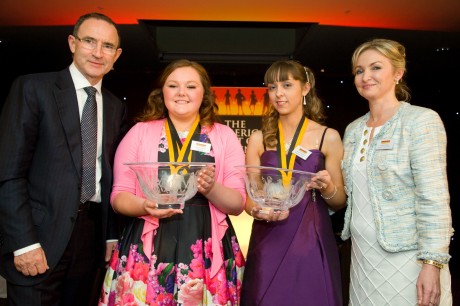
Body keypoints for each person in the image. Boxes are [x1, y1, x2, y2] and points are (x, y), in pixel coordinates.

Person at [0, 12, 128, 306]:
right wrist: (23, 243)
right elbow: (8, 173)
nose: (98, 52)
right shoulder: (33, 88)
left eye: (108, 46)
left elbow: (107, 175)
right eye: (89, 41)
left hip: (91, 239)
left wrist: (110, 235)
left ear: (117, 55)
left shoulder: (113, 106)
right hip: (39, 236)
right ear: (72, 43)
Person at [99, 59, 246, 305]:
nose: (181, 93)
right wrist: (145, 205)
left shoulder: (224, 135)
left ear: (204, 93)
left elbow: (238, 203)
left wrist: (211, 188)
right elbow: (119, 196)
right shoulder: (139, 132)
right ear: (162, 92)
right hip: (148, 237)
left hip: (206, 242)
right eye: (173, 85)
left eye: (191, 86)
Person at [341, 38, 453, 306]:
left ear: (398, 73)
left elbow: (434, 197)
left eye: (375, 67)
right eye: (359, 71)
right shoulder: (353, 130)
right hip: (362, 257)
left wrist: (432, 262)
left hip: (409, 258)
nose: (365, 76)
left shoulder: (421, 120)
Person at [240, 60, 346, 306]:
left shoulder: (327, 137)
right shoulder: (258, 139)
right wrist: (256, 210)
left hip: (311, 235)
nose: (278, 93)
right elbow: (250, 198)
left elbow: (339, 201)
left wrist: (327, 187)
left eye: (287, 85)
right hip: (268, 234)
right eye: (272, 87)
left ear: (306, 88)